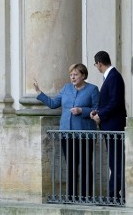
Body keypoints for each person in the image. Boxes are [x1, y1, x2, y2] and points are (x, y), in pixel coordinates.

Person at [34, 63, 100, 201]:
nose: (72, 77)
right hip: (66, 133)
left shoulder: (92, 89)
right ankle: (71, 196)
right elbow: (53, 104)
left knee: (85, 165)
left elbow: (97, 109)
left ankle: (86, 196)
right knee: (70, 165)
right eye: (71, 75)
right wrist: (40, 93)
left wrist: (82, 111)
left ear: (83, 75)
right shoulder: (66, 88)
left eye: (75, 74)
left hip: (85, 134)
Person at [90, 51, 127, 204]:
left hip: (113, 125)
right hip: (109, 124)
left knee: (116, 160)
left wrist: (101, 115)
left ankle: (115, 194)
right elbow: (109, 102)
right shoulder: (111, 77)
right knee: (114, 160)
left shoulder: (114, 77)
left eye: (95, 65)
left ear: (99, 63)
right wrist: (97, 112)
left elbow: (115, 102)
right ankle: (114, 193)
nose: (96, 67)